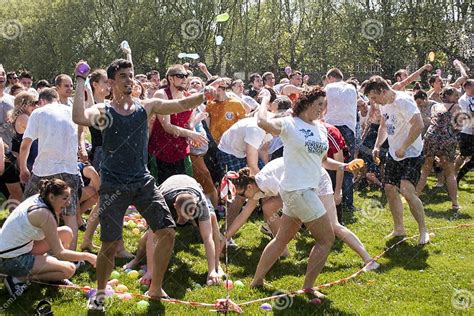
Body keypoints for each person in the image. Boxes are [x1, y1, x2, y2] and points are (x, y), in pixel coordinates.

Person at [71, 58, 215, 311]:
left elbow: (181, 103)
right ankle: (100, 293)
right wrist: (80, 81)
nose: (130, 79)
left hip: (142, 180)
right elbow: (79, 117)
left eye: (132, 74)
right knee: (109, 244)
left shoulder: (147, 106)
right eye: (124, 76)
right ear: (112, 82)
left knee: (167, 231)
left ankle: (156, 287)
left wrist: (205, 94)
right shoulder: (104, 111)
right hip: (114, 184)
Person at [252, 87, 335, 300]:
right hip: (298, 191)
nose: (322, 109)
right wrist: (265, 100)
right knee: (326, 239)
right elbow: (262, 122)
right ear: (306, 103)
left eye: (324, 105)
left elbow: (323, 161)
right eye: (319, 104)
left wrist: (346, 165)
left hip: (301, 191)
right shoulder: (290, 123)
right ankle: (308, 287)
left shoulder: (321, 129)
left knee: (281, 239)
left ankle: (257, 281)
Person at [0, 179, 96, 296]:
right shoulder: (44, 214)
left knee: (66, 232)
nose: (68, 203)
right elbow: (60, 252)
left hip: (19, 249)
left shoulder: (40, 198)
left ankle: (54, 272)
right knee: (69, 269)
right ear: (51, 197)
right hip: (10, 260)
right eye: (64, 198)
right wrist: (88, 256)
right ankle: (17, 279)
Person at [364, 76, 429, 245]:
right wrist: (378, 145)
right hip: (394, 153)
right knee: (389, 189)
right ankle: (399, 228)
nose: (374, 102)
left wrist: (404, 146)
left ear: (383, 91)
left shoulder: (404, 101)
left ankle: (423, 230)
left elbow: (419, 124)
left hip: (412, 153)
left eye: (374, 97)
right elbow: (384, 126)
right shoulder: (385, 104)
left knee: (407, 191)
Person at [19, 87, 82, 251]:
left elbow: (25, 145)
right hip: (70, 169)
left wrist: (23, 168)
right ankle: (71, 257)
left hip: (44, 171)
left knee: (27, 206)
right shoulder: (70, 111)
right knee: (70, 214)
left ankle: (22, 248)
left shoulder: (38, 113)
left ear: (41, 101)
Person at [140, 175, 222, 286]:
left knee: (212, 219)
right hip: (168, 187)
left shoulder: (200, 203)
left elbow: (208, 238)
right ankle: (137, 259)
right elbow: (152, 238)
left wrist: (211, 271)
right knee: (152, 232)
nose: (183, 221)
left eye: (189, 217)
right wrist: (150, 272)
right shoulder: (162, 202)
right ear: (174, 206)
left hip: (192, 185)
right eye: (182, 217)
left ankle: (216, 267)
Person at [148, 64, 207, 184]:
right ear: (170, 78)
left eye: (186, 76)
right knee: (161, 191)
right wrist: (191, 134)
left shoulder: (190, 98)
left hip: (181, 152)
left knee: (185, 188)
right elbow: (167, 126)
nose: (185, 79)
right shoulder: (161, 95)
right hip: (160, 152)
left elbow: (189, 124)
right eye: (180, 76)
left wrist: (194, 135)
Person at [416, 87, 462, 209]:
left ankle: (414, 197)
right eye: (455, 95)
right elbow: (459, 126)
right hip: (446, 140)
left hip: (431, 138)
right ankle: (455, 203)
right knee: (450, 173)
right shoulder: (456, 107)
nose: (457, 98)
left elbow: (434, 121)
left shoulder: (435, 106)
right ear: (448, 96)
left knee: (425, 170)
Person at [324, 68, 358, 211]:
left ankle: (331, 199)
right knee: (348, 165)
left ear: (331, 78)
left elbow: (323, 106)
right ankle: (348, 203)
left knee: (330, 164)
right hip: (349, 129)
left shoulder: (329, 87)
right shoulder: (352, 88)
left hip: (331, 129)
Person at [455, 79, 473, 183]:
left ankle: (458, 175)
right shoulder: (463, 100)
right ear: (467, 87)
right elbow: (466, 116)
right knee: (463, 155)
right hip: (466, 132)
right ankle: (453, 173)